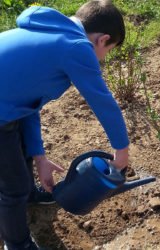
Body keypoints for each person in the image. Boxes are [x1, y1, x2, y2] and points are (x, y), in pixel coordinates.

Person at [0, 0, 130, 249]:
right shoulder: (76, 46)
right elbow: (104, 103)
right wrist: (121, 153)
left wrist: (40, 157)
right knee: (11, 187)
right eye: (109, 50)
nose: (103, 59)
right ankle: (16, 244)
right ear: (102, 39)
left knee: (23, 151)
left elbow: (28, 105)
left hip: (7, 106)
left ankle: (28, 196)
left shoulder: (50, 31)